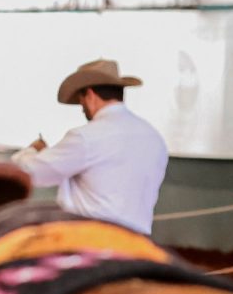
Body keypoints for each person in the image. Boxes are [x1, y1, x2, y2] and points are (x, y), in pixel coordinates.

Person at [15, 58, 168, 232]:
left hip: (93, 245)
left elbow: (33, 173)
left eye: (80, 100)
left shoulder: (86, 137)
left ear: (89, 95)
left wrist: (32, 150)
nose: (81, 108)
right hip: (138, 246)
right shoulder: (154, 138)